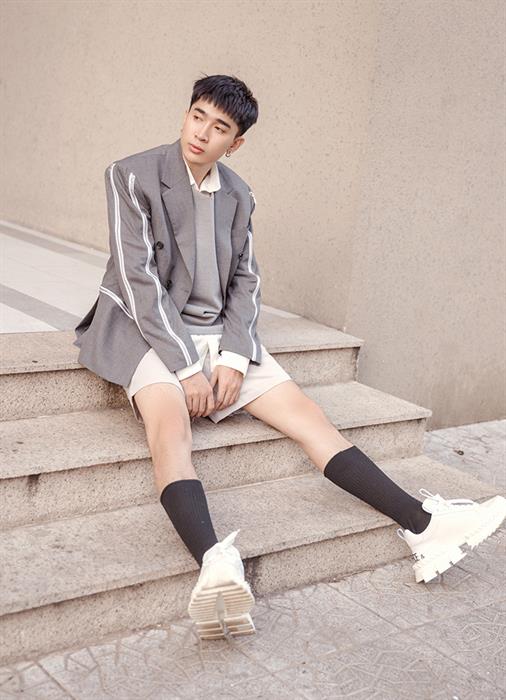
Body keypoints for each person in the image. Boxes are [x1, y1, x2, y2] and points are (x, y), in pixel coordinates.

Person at [73, 73, 506, 640]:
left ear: (236, 142)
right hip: (145, 329)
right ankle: (215, 565)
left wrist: (233, 357)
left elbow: (246, 281)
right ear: (186, 113)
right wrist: (186, 367)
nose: (201, 132)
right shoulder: (130, 174)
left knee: (308, 415)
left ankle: (423, 526)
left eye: (218, 127)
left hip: (218, 333)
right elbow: (138, 280)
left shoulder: (239, 194)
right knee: (170, 426)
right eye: (197, 116)